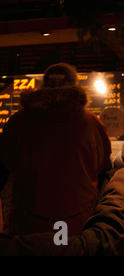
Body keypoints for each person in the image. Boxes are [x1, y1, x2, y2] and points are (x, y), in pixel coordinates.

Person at [0, 63, 112, 237]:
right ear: (75, 86)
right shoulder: (92, 124)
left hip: (29, 223)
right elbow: (102, 166)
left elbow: (6, 162)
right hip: (78, 222)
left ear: (43, 86)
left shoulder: (19, 122)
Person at [0, 160, 124, 255]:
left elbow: (8, 160)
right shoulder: (91, 124)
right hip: (80, 215)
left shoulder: (19, 122)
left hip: (28, 218)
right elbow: (99, 245)